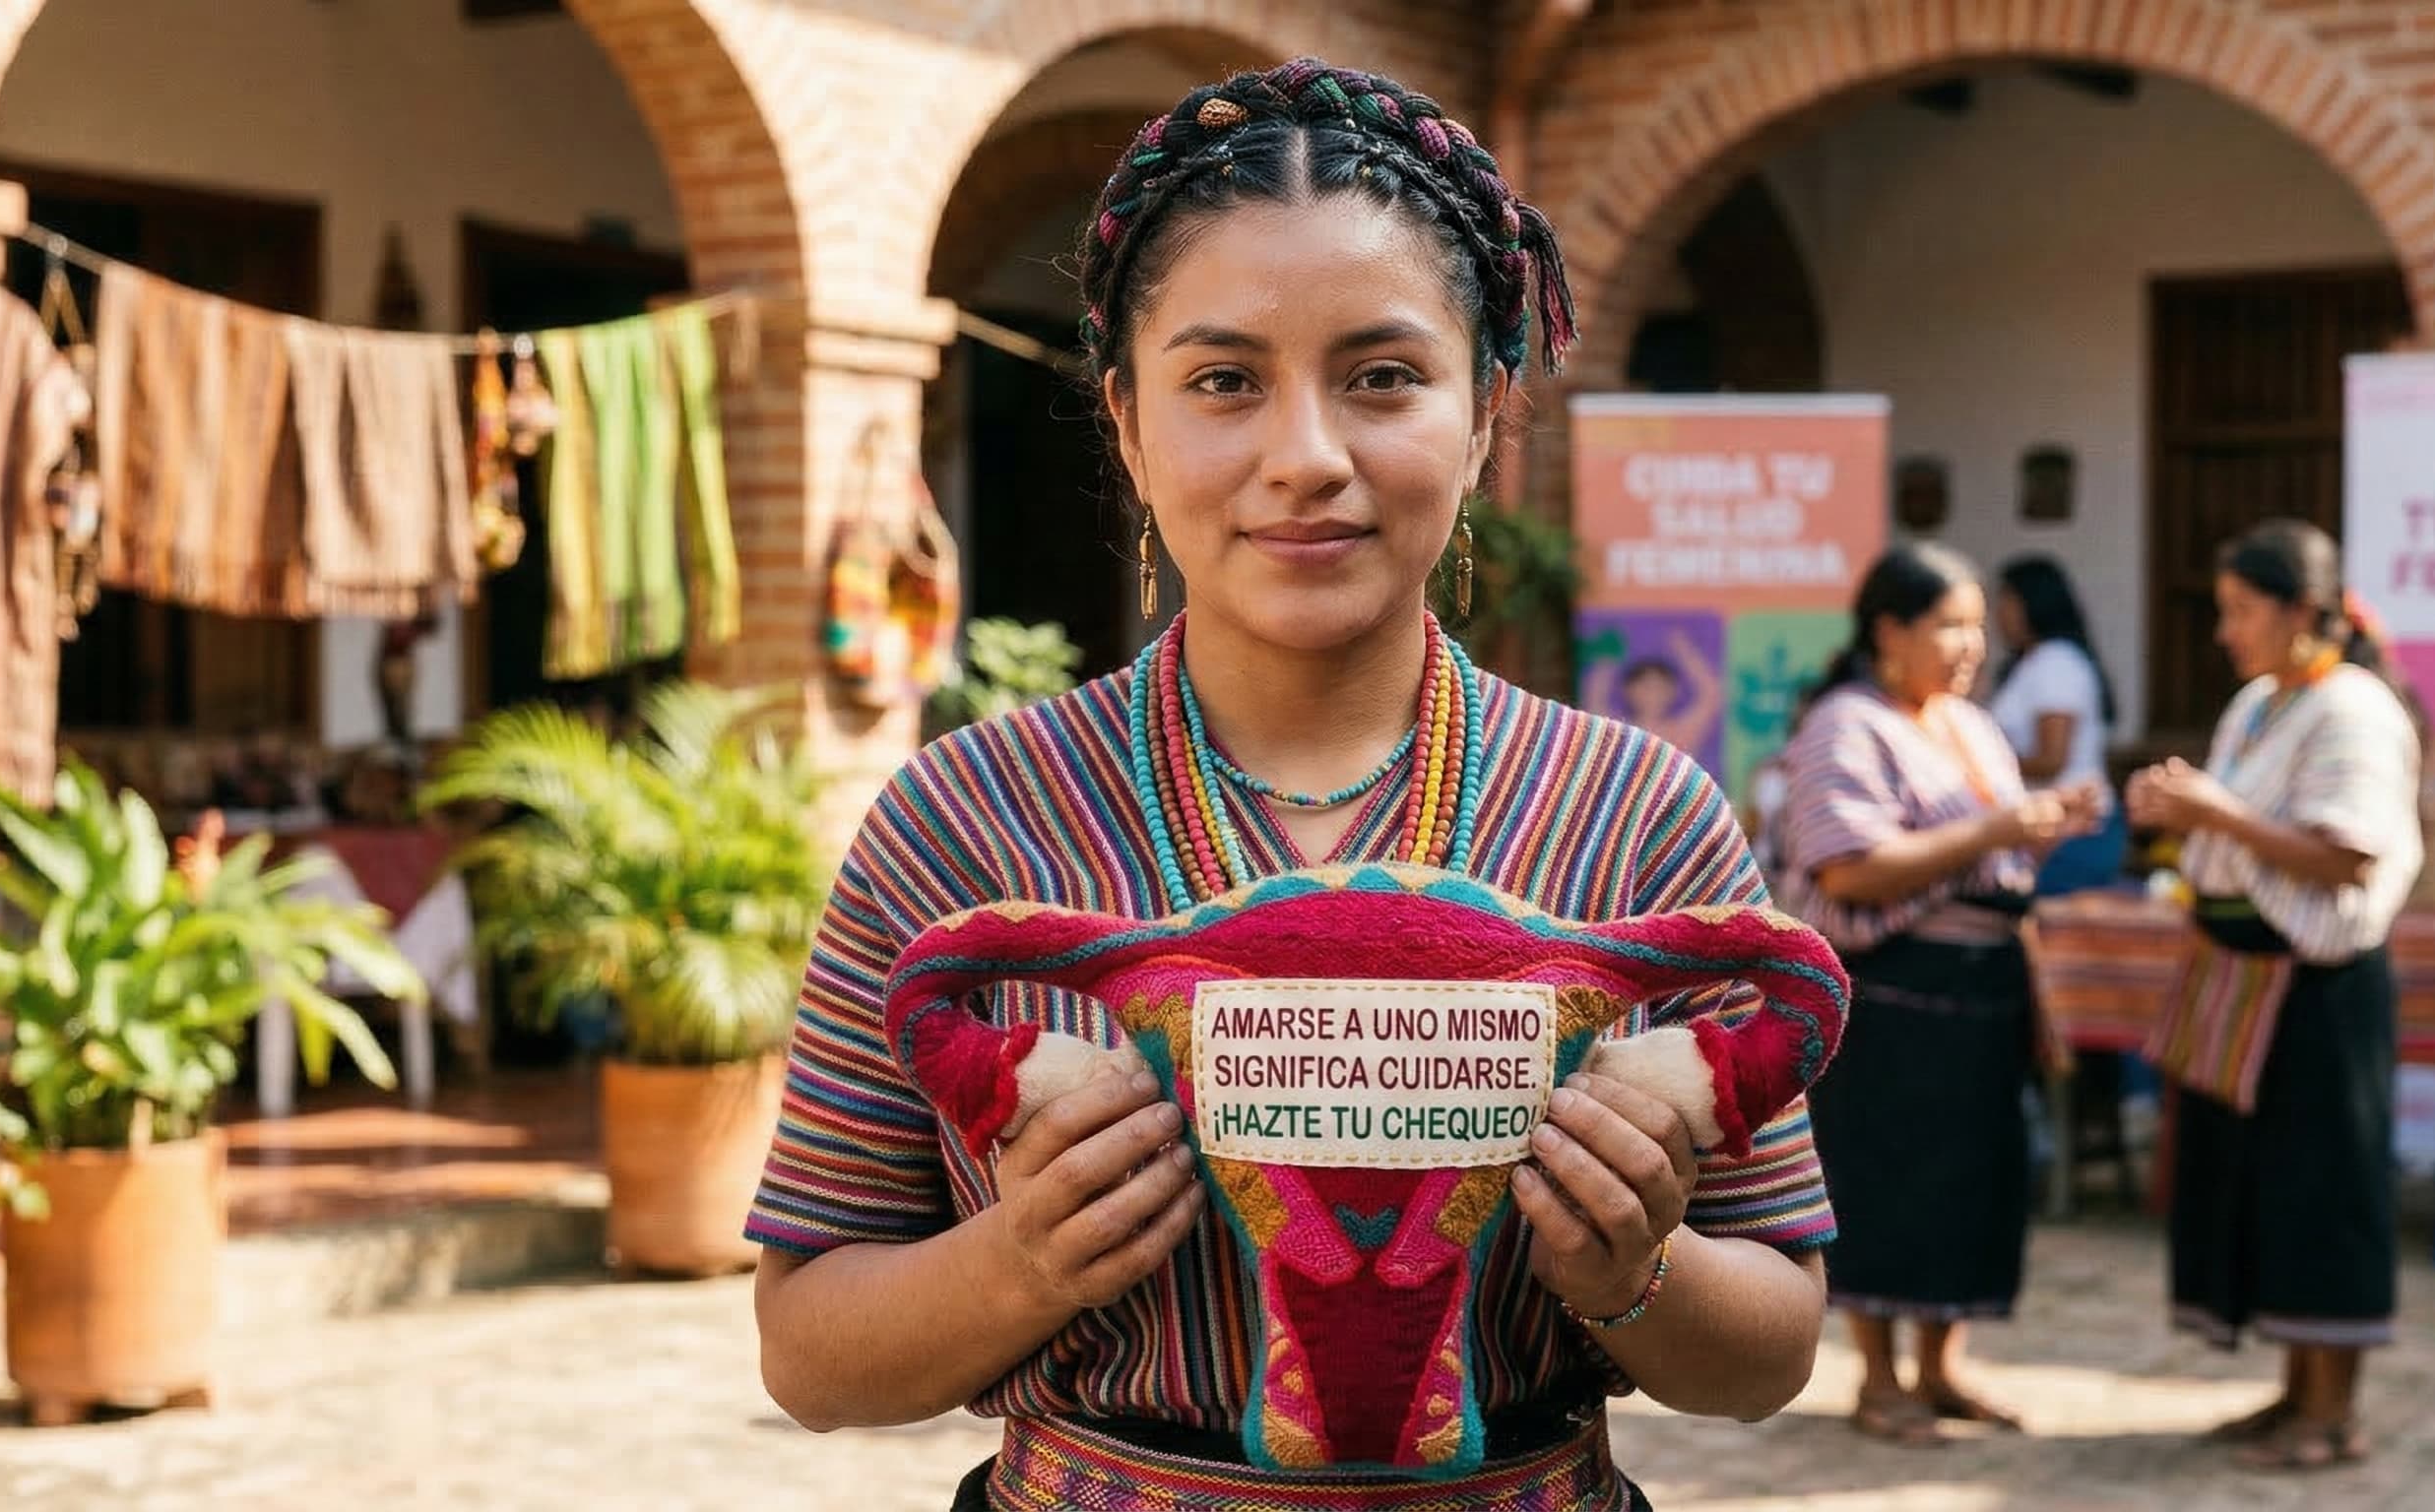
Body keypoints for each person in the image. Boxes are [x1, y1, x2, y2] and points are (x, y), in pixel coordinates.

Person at [747, 60, 1833, 1511]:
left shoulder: (1635, 817)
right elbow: (811, 1356)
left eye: (1384, 377)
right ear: (1129, 423)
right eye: (1224, 383)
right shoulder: (962, 824)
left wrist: (1637, 1271)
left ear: (1488, 411)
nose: (1305, 458)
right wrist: (1020, 1262)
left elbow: (1771, 1349)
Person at [1775, 541, 2104, 1447]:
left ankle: (1942, 1365)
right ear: (1889, 630)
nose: (1970, 644)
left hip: (1984, 992)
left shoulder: (1969, 723)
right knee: (1885, 1179)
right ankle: (1879, 1378)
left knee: (1973, 1181)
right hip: (1897, 998)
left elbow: (1979, 856)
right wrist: (2000, 825)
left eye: (1973, 624)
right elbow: (1850, 870)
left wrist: (2042, 827)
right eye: (1947, 624)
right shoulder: (1845, 726)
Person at [2125, 518, 2422, 1472]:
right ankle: (2292, 1392)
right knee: (2261, 1186)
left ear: (2299, 611)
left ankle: (2331, 1411)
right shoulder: (2258, 702)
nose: (2224, 631)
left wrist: (2214, 812)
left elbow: (2345, 853)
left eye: (2239, 610)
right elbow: (2244, 829)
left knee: (2320, 1189)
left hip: (2314, 987)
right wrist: (2183, 814)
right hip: (2245, 979)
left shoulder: (2353, 711)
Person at [1986, 554, 2125, 895]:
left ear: (2034, 603)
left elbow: (2052, 759)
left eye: (2006, 601)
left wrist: (1977, 767)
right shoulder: (2029, 663)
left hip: (2073, 831)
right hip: (2047, 828)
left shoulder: (2056, 662)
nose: (1998, 614)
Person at [1584, 627, 1724, 766]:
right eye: (1645, 687)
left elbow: (1711, 694)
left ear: (1674, 691)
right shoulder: (1616, 731)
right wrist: (1608, 660)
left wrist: (1685, 651)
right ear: (1628, 690)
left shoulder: (1684, 731)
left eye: (1660, 688)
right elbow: (1595, 700)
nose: (1652, 695)